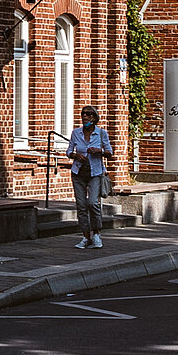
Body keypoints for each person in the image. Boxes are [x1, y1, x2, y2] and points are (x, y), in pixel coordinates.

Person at [67, 101, 114, 248]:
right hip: (78, 173)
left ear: (94, 117)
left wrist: (98, 151)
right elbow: (68, 151)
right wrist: (75, 156)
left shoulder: (101, 133)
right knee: (81, 205)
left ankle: (97, 234)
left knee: (92, 203)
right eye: (83, 114)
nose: (85, 116)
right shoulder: (76, 133)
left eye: (88, 114)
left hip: (95, 173)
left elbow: (110, 153)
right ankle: (86, 237)